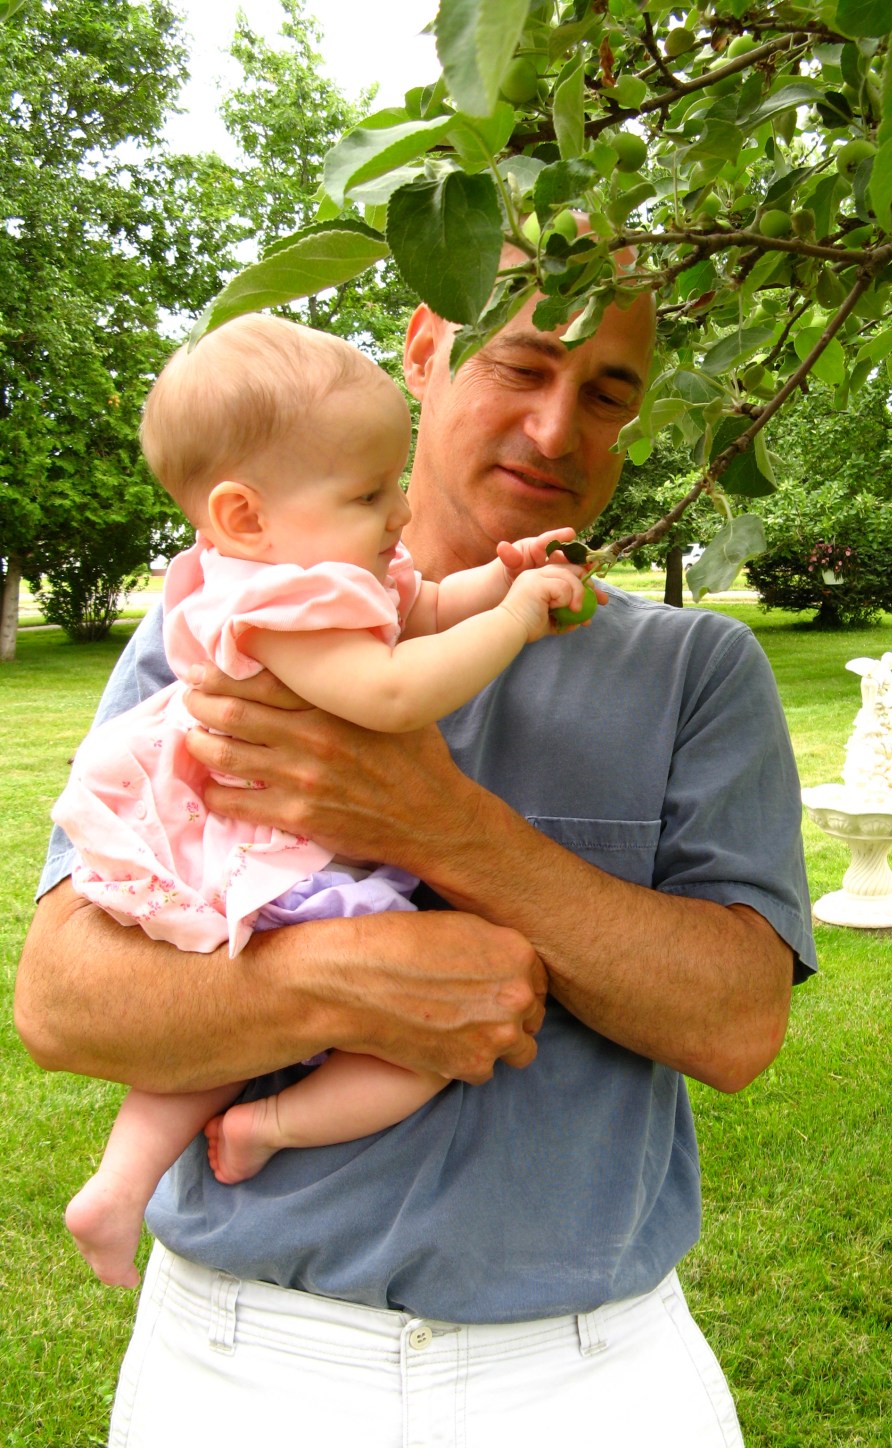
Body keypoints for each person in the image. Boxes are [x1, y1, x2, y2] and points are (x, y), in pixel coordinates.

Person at [16, 245, 818, 1446]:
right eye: (523, 365)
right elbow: (62, 1002)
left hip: (588, 1373)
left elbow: (739, 1024)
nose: (556, 428)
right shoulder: (216, 631)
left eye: (607, 393)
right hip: (237, 1359)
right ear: (426, 349)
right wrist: (346, 979)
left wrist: (441, 827)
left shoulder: (699, 670)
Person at [54, 313, 598, 1291]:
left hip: (244, 849)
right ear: (243, 515)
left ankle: (119, 1183)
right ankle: (270, 1124)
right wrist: (518, 618)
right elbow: (393, 691)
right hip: (284, 860)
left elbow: (423, 611)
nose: (399, 511)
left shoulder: (281, 573)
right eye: (368, 493)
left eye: (393, 483)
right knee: (426, 1044)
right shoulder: (284, 609)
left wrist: (498, 576)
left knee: (215, 1045)